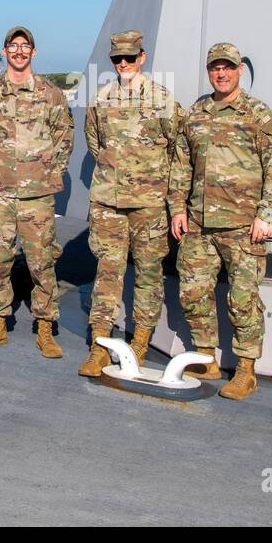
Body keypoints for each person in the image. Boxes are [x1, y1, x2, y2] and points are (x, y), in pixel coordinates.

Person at [169, 42, 272, 400]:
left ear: (240, 70)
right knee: (193, 292)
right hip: (198, 223)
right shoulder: (196, 113)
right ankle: (206, 356)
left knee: (242, 300)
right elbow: (181, 165)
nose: (221, 73)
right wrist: (178, 208)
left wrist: (266, 213)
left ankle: (245, 369)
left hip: (242, 226)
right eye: (214, 68)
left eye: (227, 67)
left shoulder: (257, 114)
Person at [79, 30, 183, 377]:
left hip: (150, 205)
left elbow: (177, 148)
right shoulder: (101, 98)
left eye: (129, 57)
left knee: (149, 274)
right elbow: (95, 143)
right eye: (116, 59)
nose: (122, 64)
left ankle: (140, 340)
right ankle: (100, 344)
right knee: (107, 272)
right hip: (109, 202)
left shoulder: (163, 99)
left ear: (142, 57)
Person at [0, 27, 75, 358]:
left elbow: (64, 135)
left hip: (38, 195)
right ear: (4, 51)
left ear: (33, 52)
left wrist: (49, 173)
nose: (19, 51)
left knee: (42, 262)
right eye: (13, 46)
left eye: (24, 46)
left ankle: (45, 327)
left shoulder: (50, 94)